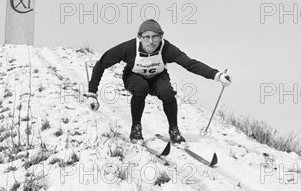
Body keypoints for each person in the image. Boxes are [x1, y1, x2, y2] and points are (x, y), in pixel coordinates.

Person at [83, 19, 231, 143]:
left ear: (161, 37)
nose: (151, 41)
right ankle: (136, 129)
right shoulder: (128, 48)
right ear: (139, 37)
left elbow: (190, 64)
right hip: (134, 76)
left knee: (167, 92)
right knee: (141, 88)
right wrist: (92, 92)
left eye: (155, 37)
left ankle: (174, 130)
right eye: (146, 37)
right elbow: (101, 64)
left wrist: (216, 75)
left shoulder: (167, 49)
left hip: (157, 77)